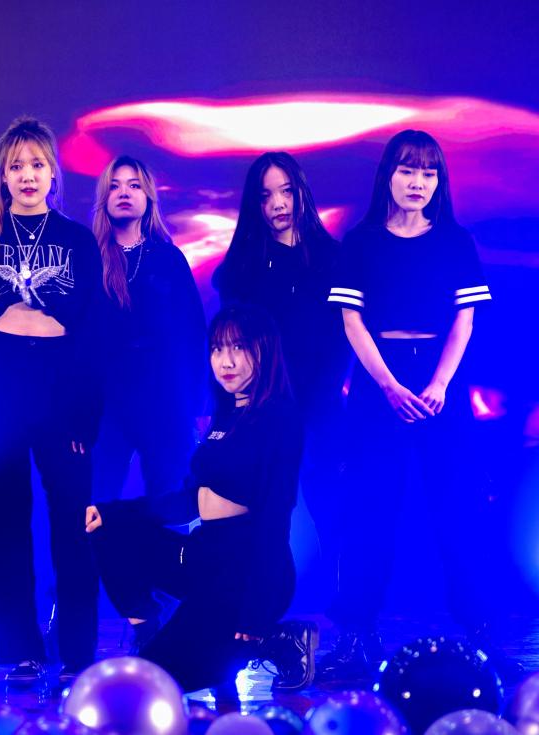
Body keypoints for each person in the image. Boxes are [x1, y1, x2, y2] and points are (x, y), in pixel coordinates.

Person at [322, 129, 493, 677]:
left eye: (428, 172)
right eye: (407, 170)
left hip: (441, 382)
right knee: (369, 508)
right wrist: (389, 386)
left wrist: (438, 385)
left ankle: (480, 628)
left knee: (458, 507)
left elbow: (464, 321)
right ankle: (357, 632)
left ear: (438, 181)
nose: (418, 182)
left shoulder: (455, 241)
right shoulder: (361, 241)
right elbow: (352, 321)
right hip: (380, 382)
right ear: (388, 176)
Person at [85, 305, 316, 693]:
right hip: (203, 557)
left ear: (263, 350)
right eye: (217, 349)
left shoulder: (279, 418)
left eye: (238, 348)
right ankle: (150, 632)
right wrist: (114, 512)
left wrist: (255, 609)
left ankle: (277, 639)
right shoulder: (226, 413)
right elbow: (188, 501)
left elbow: (276, 515)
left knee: (153, 682)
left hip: (247, 573)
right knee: (108, 528)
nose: (226, 361)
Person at [0, 116, 102, 683]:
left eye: (37, 164)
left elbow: (89, 331)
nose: (27, 175)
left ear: (53, 172)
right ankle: (21, 649)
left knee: (73, 521)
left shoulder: (77, 240)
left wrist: (86, 416)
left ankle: (79, 651)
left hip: (60, 389)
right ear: (1, 175)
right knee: (4, 521)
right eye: (15, 166)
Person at [214, 151, 349, 593]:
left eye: (286, 191)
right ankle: (260, 598)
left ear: (301, 193)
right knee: (262, 503)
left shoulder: (333, 259)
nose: (278, 203)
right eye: (266, 195)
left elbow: (346, 337)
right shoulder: (241, 268)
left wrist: (324, 395)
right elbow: (232, 344)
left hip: (321, 400)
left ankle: (340, 594)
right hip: (264, 403)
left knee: (328, 497)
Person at [90, 155, 207, 503]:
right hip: (107, 399)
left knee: (169, 500)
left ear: (148, 197)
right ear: (104, 198)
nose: (124, 192)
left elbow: (193, 334)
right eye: (114, 186)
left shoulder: (168, 258)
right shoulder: (90, 259)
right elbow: (79, 339)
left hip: (164, 396)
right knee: (99, 502)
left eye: (134, 185)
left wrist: (195, 402)